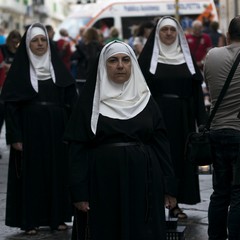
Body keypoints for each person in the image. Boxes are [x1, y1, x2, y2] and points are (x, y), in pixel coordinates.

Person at [64, 40, 177, 240]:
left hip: (144, 181)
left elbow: (161, 144)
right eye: (113, 61)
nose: (120, 65)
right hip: (102, 182)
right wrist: (79, 192)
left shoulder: (145, 100)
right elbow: (77, 148)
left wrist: (169, 187)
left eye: (126, 60)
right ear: (103, 65)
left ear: (132, 64)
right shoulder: (89, 104)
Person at [1, 23, 78, 235]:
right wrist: (15, 136)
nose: (40, 44)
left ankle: (58, 218)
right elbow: (11, 107)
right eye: (35, 40)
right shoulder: (19, 73)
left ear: (49, 42)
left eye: (43, 40)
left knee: (57, 173)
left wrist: (73, 132)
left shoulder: (59, 71)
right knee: (30, 175)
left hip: (57, 130)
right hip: (29, 131)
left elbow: (72, 102)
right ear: (27, 44)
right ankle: (30, 220)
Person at [138, 16, 207, 219]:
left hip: (182, 118)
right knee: (157, 159)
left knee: (179, 159)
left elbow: (196, 92)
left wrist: (201, 121)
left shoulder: (185, 58)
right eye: (164, 30)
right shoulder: (148, 59)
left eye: (172, 30)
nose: (168, 33)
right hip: (156, 118)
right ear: (157, 33)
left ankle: (175, 202)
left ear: (178, 33)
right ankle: (155, 202)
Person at [204, 16, 240, 240]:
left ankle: (215, 237)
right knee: (239, 195)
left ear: (227, 35)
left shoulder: (211, 56)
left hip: (217, 132)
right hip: (239, 131)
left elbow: (209, 84)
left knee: (220, 193)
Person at [71, 27, 102, 94]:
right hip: (96, 77)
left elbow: (74, 57)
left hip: (83, 76)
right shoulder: (100, 46)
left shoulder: (85, 46)